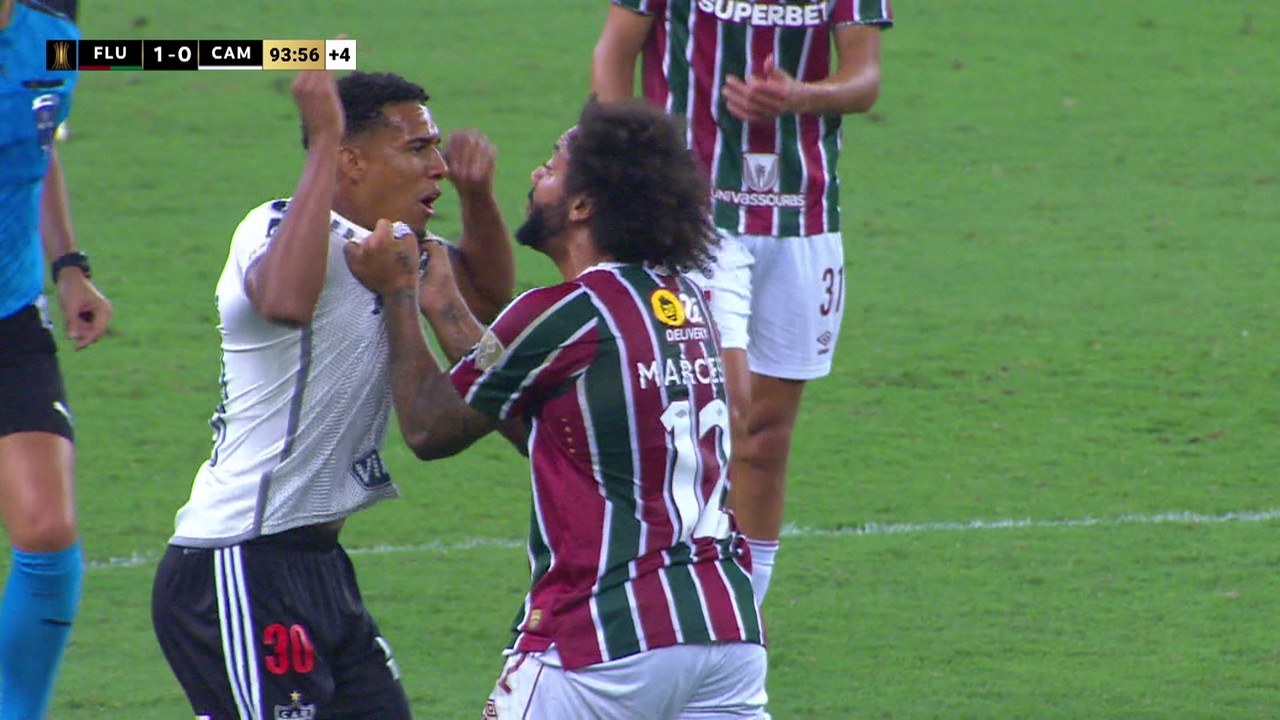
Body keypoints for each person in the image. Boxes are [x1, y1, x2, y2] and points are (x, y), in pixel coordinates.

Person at [346, 99, 767, 720]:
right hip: (725, 634)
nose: (534, 177)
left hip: (604, 639)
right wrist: (448, 309)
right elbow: (541, 426)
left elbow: (430, 427)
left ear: (581, 205)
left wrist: (401, 293)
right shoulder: (685, 307)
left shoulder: (564, 311)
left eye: (550, 166)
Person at [149, 68, 514, 720]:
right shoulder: (278, 228)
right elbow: (286, 302)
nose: (439, 166)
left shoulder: (396, 249)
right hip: (240, 561)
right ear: (350, 159)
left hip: (320, 568)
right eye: (418, 149)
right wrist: (319, 140)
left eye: (436, 147)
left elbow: (483, 296)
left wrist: (480, 197)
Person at [592, 0, 893, 603]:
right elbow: (613, 56)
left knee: (766, 437)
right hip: (696, 218)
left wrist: (801, 96)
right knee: (710, 417)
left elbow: (865, 79)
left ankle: (740, 613)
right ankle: (662, 588)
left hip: (803, 219)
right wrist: (631, 168)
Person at [0, 0, 112, 717]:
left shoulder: (55, 32)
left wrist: (68, 264)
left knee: (47, 526)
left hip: (9, 316)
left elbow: (40, 143)